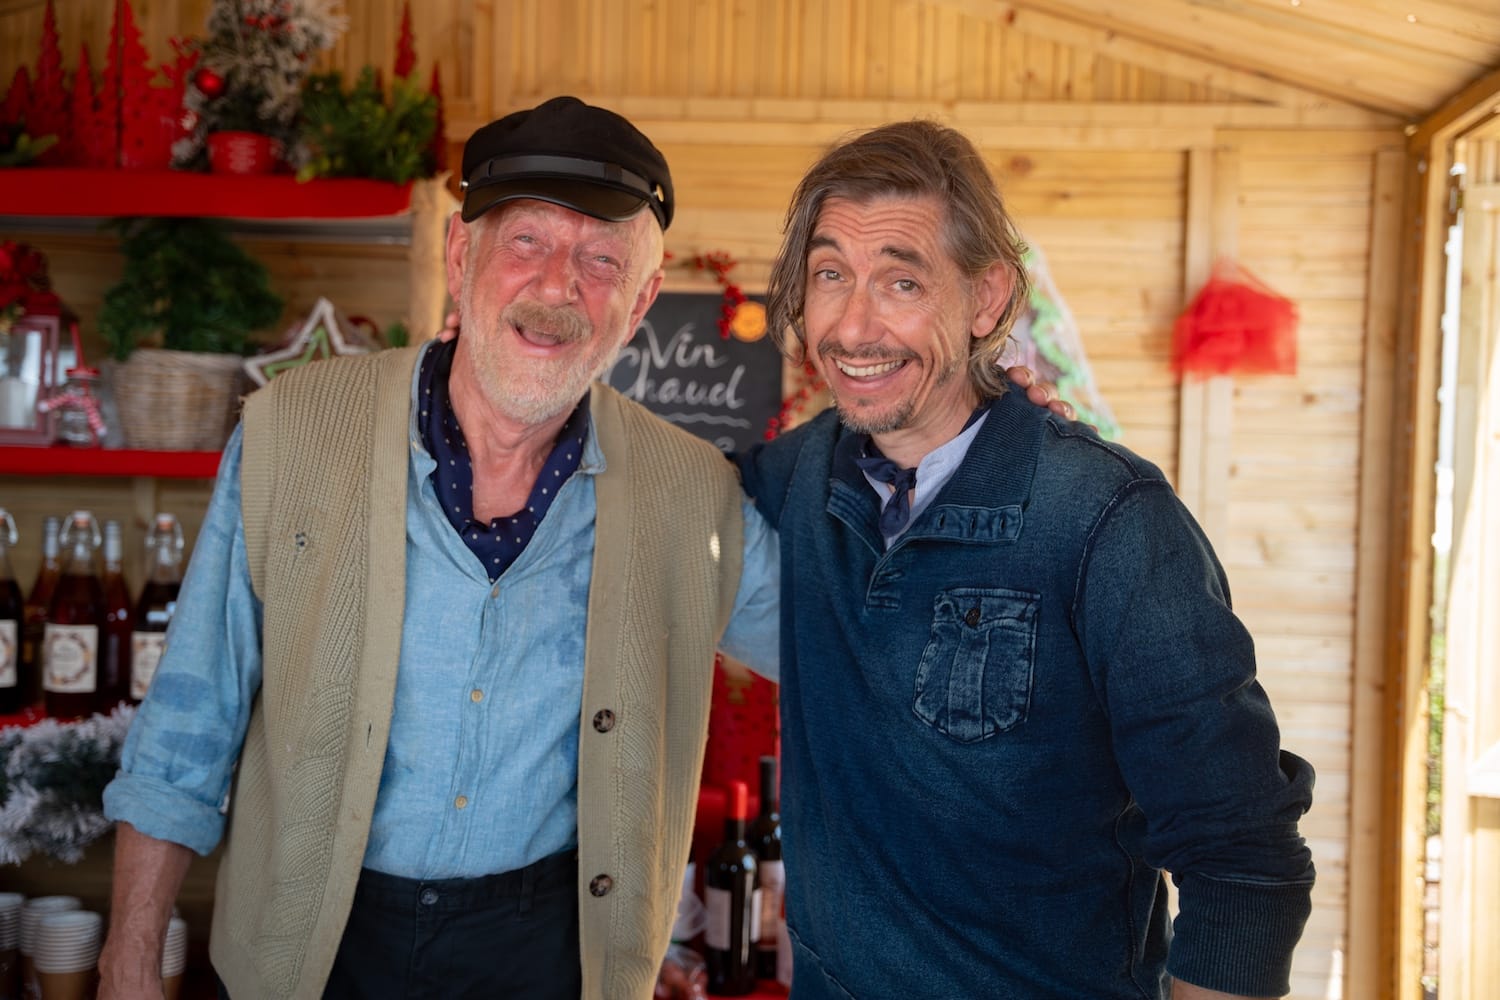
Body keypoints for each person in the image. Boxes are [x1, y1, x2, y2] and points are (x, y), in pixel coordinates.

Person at [96, 96, 783, 1000]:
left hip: (547, 955)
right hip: (309, 942)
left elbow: (844, 655)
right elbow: (192, 712)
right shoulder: (291, 433)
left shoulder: (694, 494)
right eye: (527, 241)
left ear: (642, 301)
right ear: (462, 256)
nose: (558, 287)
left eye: (602, 259)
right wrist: (129, 954)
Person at [734, 119, 1316, 999]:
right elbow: (663, 496)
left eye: (901, 280)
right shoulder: (800, 472)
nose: (853, 325)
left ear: (986, 297)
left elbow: (1244, 864)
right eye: (830, 275)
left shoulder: (1110, 521)